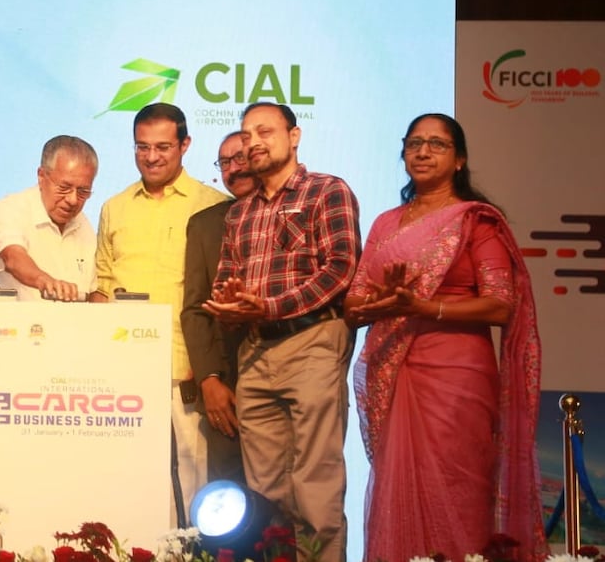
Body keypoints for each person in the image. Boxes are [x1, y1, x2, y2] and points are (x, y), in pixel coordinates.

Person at [343, 113, 546, 561]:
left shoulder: (476, 221)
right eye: (414, 143)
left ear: (460, 160)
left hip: (457, 375)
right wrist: (384, 302)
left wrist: (424, 307)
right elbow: (354, 304)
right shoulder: (386, 223)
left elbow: (499, 304)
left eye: (437, 144)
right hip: (395, 370)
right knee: (397, 485)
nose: (422, 152)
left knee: (457, 485)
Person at [204, 102, 360, 562]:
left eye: (265, 131)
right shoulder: (240, 213)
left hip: (312, 342)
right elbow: (225, 279)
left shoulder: (326, 191)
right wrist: (229, 306)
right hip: (255, 351)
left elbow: (340, 271)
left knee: (316, 482)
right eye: (246, 134)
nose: (253, 142)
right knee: (266, 487)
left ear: (294, 136)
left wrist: (267, 306)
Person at [91, 102, 227, 526]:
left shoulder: (214, 206)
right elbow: (101, 285)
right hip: (121, 378)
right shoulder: (114, 207)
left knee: (192, 491)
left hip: (185, 374)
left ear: (185, 145)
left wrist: (209, 371)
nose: (151, 157)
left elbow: (218, 298)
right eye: (142, 147)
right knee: (126, 489)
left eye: (163, 147)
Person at [181, 131, 258, 485]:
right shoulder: (204, 224)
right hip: (225, 386)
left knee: (288, 500)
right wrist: (209, 379)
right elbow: (196, 309)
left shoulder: (298, 210)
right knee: (228, 504)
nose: (233, 169)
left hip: (288, 379)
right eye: (224, 163)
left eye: (240, 158)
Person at [0, 135, 98, 301]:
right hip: (10, 324)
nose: (73, 200)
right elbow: (13, 259)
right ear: (41, 176)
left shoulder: (84, 225)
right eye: (64, 188)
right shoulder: (10, 208)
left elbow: (90, 291)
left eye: (83, 192)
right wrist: (46, 282)